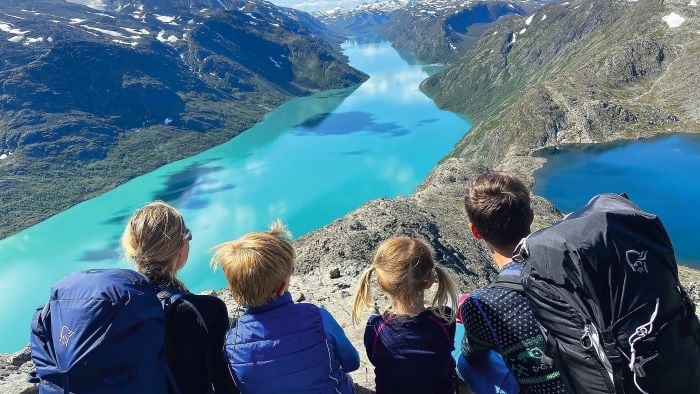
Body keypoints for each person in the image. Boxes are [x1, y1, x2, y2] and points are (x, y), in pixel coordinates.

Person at [210, 220, 360, 393]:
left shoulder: (231, 341)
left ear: (235, 292)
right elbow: (352, 363)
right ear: (282, 287)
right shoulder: (317, 317)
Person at [458, 172, 568, 393]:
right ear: (531, 216)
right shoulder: (572, 265)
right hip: (600, 381)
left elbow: (473, 354)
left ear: (475, 232)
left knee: (461, 359)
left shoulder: (481, 304)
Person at [122, 201, 237, 394]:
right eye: (187, 235)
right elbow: (223, 382)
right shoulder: (208, 310)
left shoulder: (118, 307)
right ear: (180, 249)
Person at [352, 236, 458, 394]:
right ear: (430, 281)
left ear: (382, 284)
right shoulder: (444, 318)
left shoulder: (375, 327)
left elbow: (375, 359)